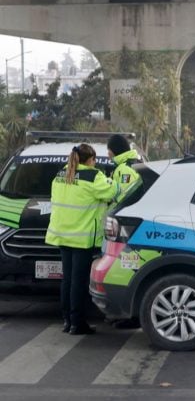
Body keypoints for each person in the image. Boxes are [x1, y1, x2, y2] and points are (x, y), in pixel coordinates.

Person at [46, 144, 119, 335]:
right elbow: (113, 192)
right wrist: (114, 181)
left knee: (67, 280)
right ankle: (78, 323)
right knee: (78, 282)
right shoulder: (93, 176)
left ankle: (67, 321)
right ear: (90, 159)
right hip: (81, 237)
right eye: (94, 160)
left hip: (63, 235)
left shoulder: (61, 174)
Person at [107, 134, 142, 329]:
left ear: (113, 150)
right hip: (133, 227)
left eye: (109, 149)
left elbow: (125, 197)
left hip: (126, 227)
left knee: (127, 271)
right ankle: (129, 316)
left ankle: (130, 318)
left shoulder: (124, 168)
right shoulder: (133, 162)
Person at [107, 134, 142, 203]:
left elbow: (124, 196)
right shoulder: (134, 163)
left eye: (109, 150)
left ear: (115, 149)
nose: (108, 153)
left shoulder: (125, 169)